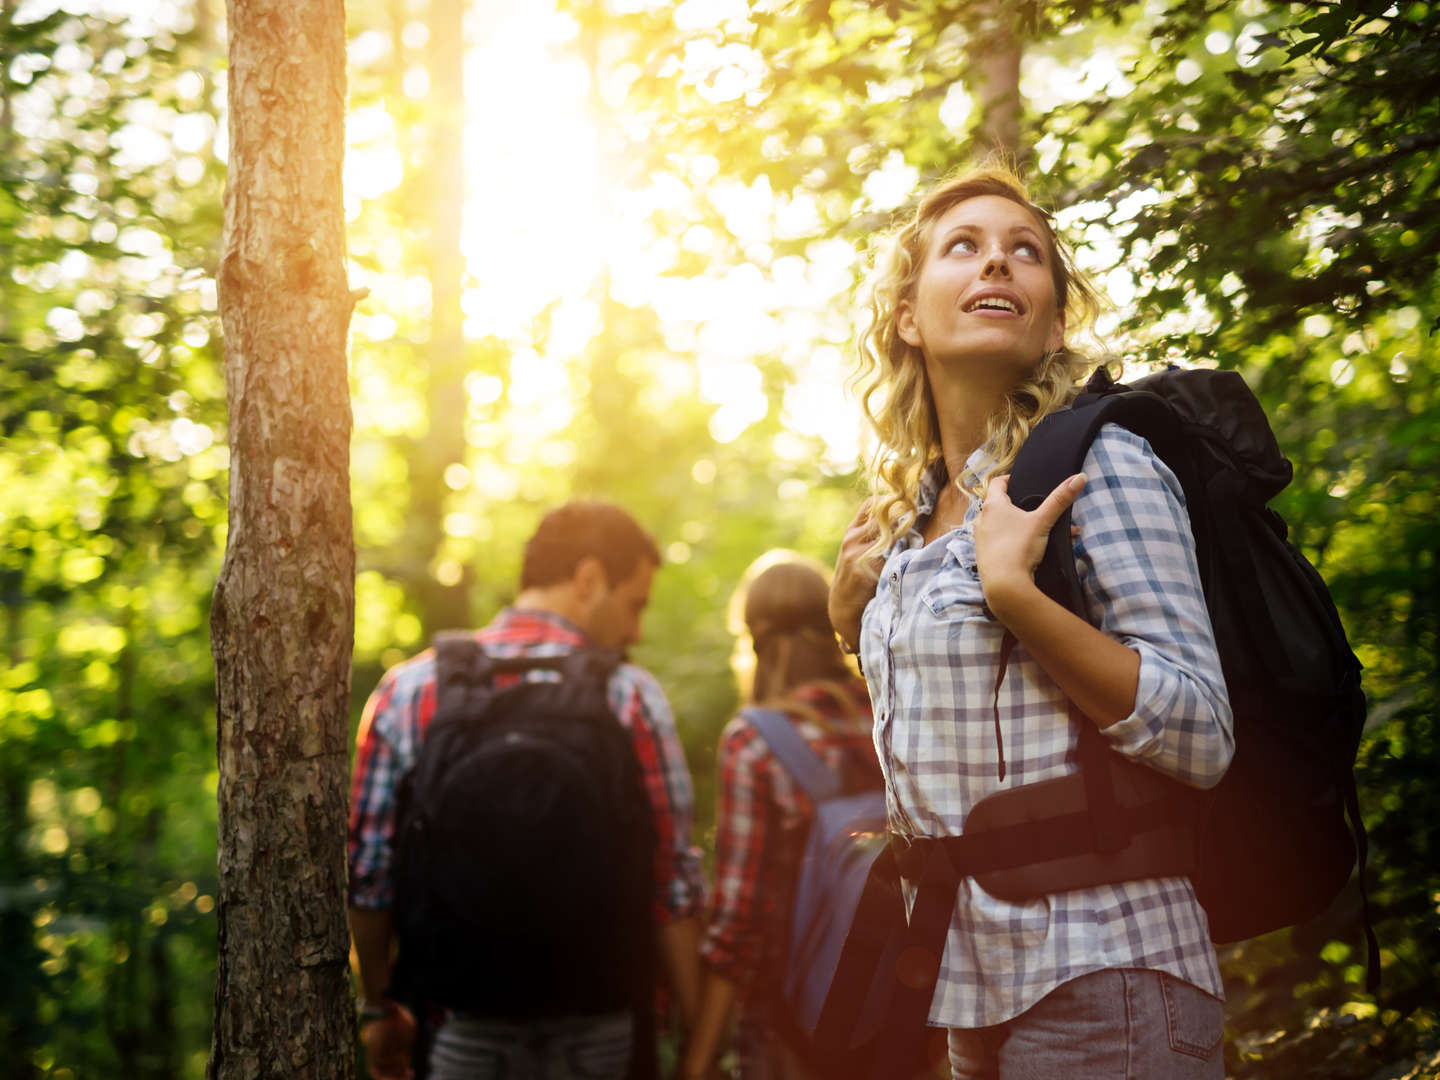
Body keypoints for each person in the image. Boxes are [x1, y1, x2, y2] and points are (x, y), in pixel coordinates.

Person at [826, 165, 1235, 1079]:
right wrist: (848, 625)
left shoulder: (1100, 465)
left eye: (1026, 254)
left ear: (1052, 318)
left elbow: (1201, 733)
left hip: (1109, 972)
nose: (998, 263)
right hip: (970, 992)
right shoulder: (905, 519)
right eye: (963, 247)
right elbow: (959, 732)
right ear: (905, 315)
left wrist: (1019, 596)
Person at [348, 500, 706, 1080]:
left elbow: (368, 878)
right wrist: (698, 1037)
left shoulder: (407, 691)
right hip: (600, 1029)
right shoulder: (631, 697)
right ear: (589, 579)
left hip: (460, 1028)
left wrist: (380, 1006)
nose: (636, 630)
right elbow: (673, 882)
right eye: (635, 605)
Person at [681, 552, 879, 1080]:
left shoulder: (757, 740)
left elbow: (738, 922)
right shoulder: (887, 711)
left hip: (795, 1023)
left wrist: (698, 1059)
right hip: (905, 1011)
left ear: (754, 637)